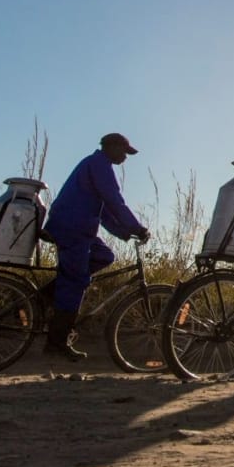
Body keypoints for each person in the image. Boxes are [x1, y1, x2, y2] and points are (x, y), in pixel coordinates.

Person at [42, 132, 150, 361]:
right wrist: (137, 227)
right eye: (124, 152)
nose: (125, 158)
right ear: (111, 147)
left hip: (80, 228)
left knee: (105, 255)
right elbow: (114, 200)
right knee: (76, 281)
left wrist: (125, 232)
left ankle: (50, 293)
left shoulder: (96, 164)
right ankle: (56, 342)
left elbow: (105, 212)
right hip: (72, 228)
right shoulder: (99, 165)